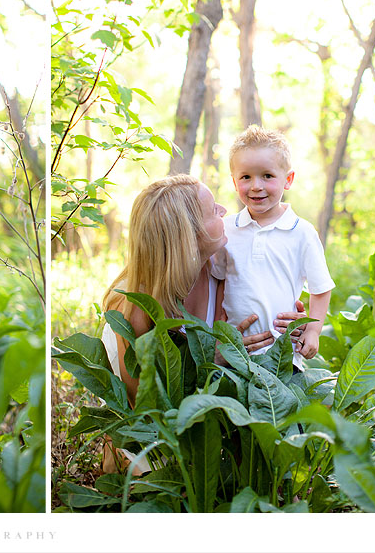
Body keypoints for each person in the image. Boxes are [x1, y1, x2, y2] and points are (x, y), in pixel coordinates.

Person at [99, 174, 305, 474]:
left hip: (201, 407)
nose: (224, 209)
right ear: (189, 235)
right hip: (154, 420)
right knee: (156, 476)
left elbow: (263, 303)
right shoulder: (134, 310)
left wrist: (290, 323)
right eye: (212, 210)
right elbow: (142, 408)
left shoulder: (221, 264)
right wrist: (212, 359)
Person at [216, 126, 334, 369]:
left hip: (284, 355)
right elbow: (217, 281)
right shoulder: (226, 229)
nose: (256, 186)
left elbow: (320, 288)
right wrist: (219, 326)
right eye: (245, 177)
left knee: (280, 406)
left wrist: (313, 331)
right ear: (233, 181)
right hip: (235, 352)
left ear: (288, 180)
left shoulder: (301, 233)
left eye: (267, 176)